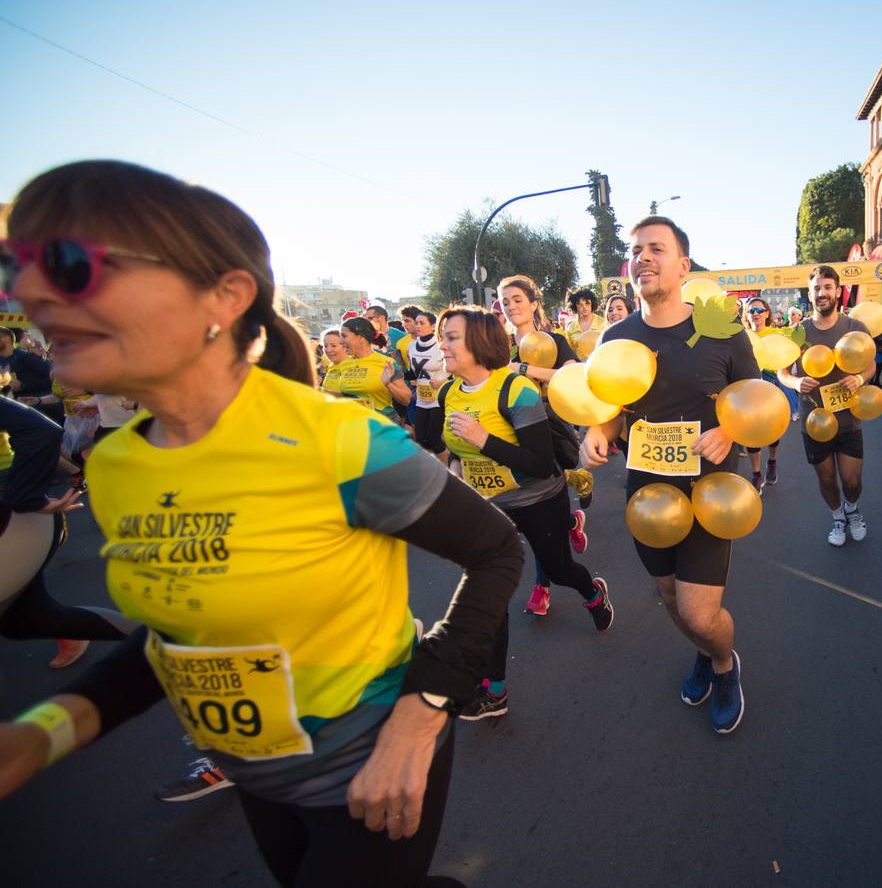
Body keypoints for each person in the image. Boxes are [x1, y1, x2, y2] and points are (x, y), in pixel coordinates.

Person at [0, 159, 523, 886]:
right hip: (259, 778)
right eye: (12, 265)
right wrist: (40, 734)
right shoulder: (116, 464)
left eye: (68, 264)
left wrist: (424, 710)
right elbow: (178, 638)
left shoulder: (340, 443)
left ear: (225, 294)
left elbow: (498, 551)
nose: (25, 292)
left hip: (370, 771)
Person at [579, 215, 759, 734]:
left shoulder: (721, 327)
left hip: (711, 491)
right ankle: (704, 651)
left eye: (656, 248)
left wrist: (728, 429)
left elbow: (754, 398)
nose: (643, 257)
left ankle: (723, 663)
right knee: (668, 599)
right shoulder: (615, 336)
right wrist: (598, 429)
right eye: (636, 250)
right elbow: (609, 404)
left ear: (683, 265)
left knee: (700, 614)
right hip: (648, 493)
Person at [435, 305, 612, 720]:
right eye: (443, 336)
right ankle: (493, 689)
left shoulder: (516, 390)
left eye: (452, 337)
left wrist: (483, 440)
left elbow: (540, 462)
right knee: (489, 594)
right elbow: (443, 446)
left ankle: (592, 593)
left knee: (560, 569)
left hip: (537, 499)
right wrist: (457, 473)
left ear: (479, 342)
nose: (442, 344)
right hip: (488, 509)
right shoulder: (447, 392)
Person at [0, 396, 132, 668]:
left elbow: (40, 430)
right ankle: (182, 642)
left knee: (27, 620)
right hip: (24, 520)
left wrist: (26, 497)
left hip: (15, 524)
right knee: (26, 621)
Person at [497, 274, 591, 614]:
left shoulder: (554, 340)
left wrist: (521, 368)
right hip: (511, 430)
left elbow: (572, 375)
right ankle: (566, 529)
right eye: (505, 302)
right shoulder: (498, 343)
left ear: (534, 304)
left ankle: (544, 579)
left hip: (551, 426)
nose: (511, 307)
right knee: (536, 511)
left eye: (517, 300)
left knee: (543, 502)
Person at [778, 265, 874, 546]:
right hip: (814, 422)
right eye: (816, 289)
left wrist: (858, 378)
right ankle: (837, 516)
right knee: (828, 479)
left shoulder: (855, 327)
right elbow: (783, 371)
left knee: (852, 481)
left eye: (827, 287)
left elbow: (869, 366)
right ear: (809, 294)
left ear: (838, 291)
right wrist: (796, 383)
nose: (822, 293)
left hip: (848, 419)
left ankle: (852, 510)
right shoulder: (797, 331)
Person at [741, 294, 795, 492]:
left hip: (771, 390)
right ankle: (756, 474)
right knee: (750, 433)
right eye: (751, 311)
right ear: (746, 315)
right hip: (748, 390)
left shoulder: (776, 335)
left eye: (759, 310)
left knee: (773, 434)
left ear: (767, 313)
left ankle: (772, 461)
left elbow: (785, 360)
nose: (755, 314)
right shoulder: (741, 336)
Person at [337, 316, 409, 421]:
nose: (341, 341)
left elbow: (406, 399)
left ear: (361, 337)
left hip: (382, 425)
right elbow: (345, 396)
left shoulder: (386, 363)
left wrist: (388, 384)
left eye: (344, 336)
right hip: (355, 425)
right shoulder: (344, 364)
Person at [406, 309, 448, 454]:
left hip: (438, 398)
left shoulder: (441, 345)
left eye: (422, 323)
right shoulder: (411, 346)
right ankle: (432, 472)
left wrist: (442, 380)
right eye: (416, 323)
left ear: (432, 326)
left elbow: (452, 368)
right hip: (421, 398)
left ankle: (449, 472)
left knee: (434, 438)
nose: (417, 326)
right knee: (421, 439)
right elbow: (413, 371)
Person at [563, 287, 604, 352]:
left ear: (592, 304)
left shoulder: (603, 323)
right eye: (580, 304)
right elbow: (569, 352)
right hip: (578, 362)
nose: (584, 307)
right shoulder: (570, 327)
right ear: (574, 306)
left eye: (587, 303)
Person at [318, 328, 350, 394]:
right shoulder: (331, 366)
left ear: (345, 346)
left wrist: (318, 389)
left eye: (333, 346)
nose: (328, 350)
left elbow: (354, 397)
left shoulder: (353, 366)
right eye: (325, 346)